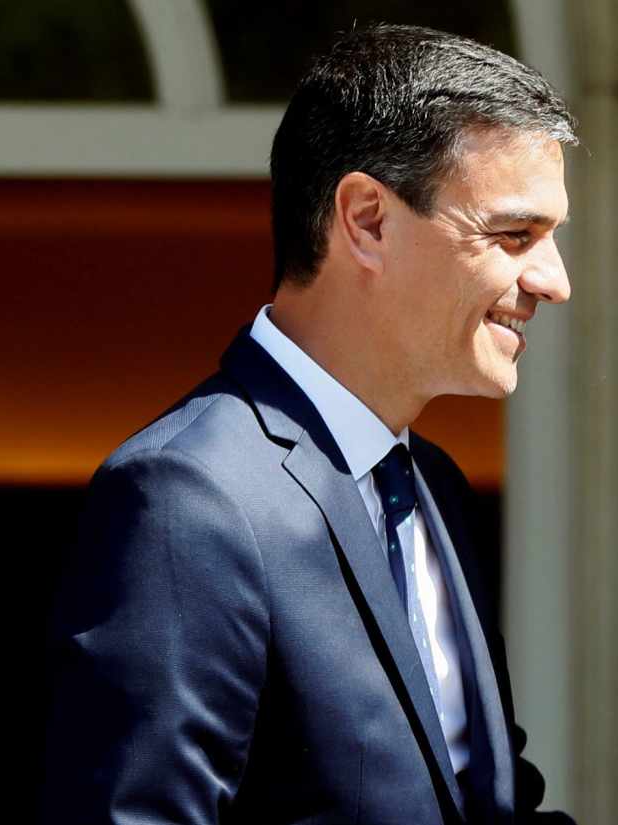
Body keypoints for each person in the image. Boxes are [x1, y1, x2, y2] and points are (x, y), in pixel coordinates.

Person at [43, 24, 576, 825]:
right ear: (366, 219)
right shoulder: (187, 499)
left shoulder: (432, 485)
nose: (553, 280)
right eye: (513, 235)